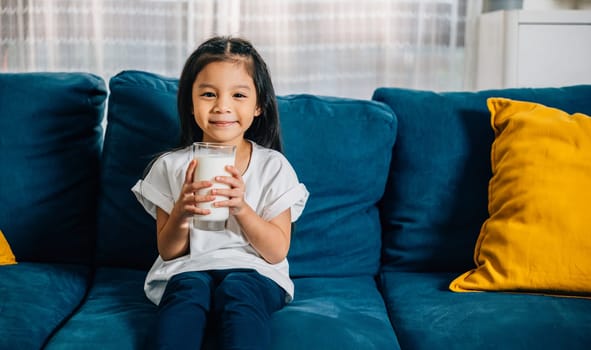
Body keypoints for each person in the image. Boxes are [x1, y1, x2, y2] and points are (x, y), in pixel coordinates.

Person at [131, 36, 309, 349]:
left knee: (240, 288)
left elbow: (276, 251)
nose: (222, 106)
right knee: (189, 288)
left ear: (258, 107)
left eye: (238, 94)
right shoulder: (170, 166)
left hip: (256, 272)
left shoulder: (273, 167)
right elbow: (169, 251)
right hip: (187, 268)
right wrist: (183, 212)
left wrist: (241, 207)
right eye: (209, 94)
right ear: (190, 102)